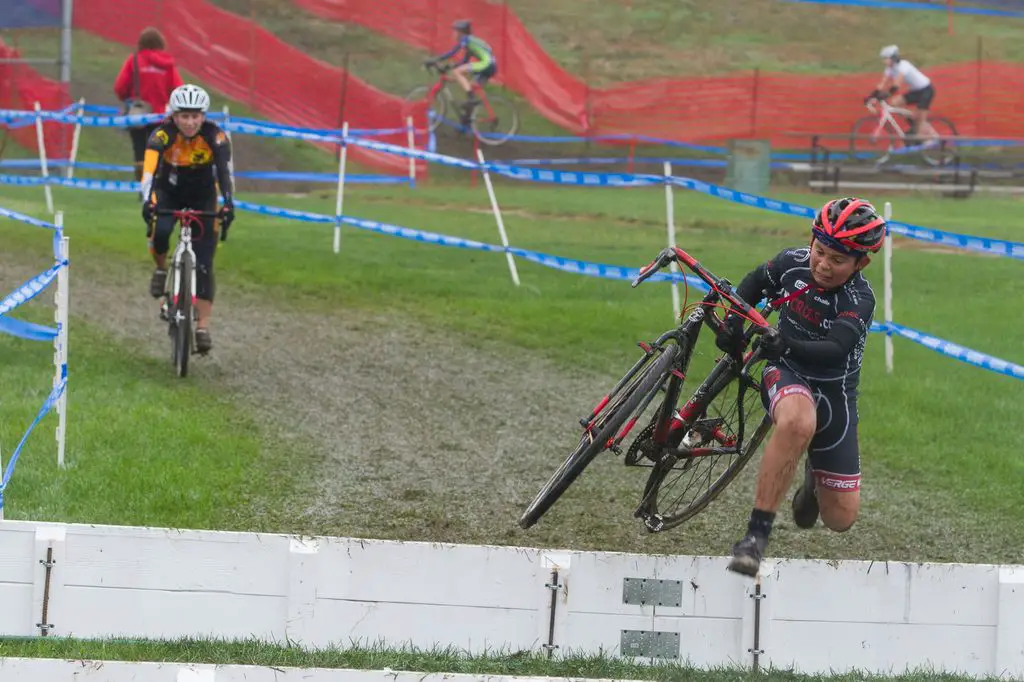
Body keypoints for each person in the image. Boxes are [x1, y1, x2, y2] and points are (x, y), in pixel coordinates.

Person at [714, 197, 887, 578]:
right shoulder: (793, 261)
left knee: (840, 519)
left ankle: (811, 476)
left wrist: (786, 342)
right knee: (796, 421)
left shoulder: (860, 299)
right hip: (786, 370)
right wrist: (733, 321)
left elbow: (834, 350)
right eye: (820, 251)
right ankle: (754, 538)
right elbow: (756, 283)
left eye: (837, 260)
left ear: (861, 263)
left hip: (835, 391)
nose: (824, 264)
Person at [140, 84, 235, 355]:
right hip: (168, 191)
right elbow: (148, 172)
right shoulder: (161, 135)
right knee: (161, 231)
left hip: (203, 195)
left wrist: (228, 203)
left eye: (196, 116)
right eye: (184, 116)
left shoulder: (215, 136)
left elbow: (225, 174)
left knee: (204, 263)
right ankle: (161, 269)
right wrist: (148, 201)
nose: (190, 122)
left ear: (203, 116)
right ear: (174, 115)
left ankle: (202, 327)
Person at [114, 27, 184, 182]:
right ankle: (157, 185)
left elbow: (120, 87)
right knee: (157, 151)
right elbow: (179, 89)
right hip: (160, 115)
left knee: (139, 151)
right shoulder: (167, 65)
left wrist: (127, 98)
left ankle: (143, 188)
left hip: (137, 114)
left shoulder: (134, 61)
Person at [423, 20, 498, 125]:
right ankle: (468, 118)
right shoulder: (470, 43)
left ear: (461, 33)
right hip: (491, 65)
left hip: (487, 64)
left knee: (458, 72)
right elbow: (464, 61)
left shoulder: (466, 39)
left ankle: (471, 98)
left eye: (455, 31)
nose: (453, 34)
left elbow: (453, 52)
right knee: (470, 84)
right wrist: (449, 66)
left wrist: (435, 59)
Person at [867, 45, 937, 141]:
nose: (883, 61)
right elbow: (881, 84)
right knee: (894, 103)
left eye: (885, 58)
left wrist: (886, 94)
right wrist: (871, 96)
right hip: (916, 91)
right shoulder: (889, 68)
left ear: (893, 58)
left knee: (920, 124)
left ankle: (929, 138)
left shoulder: (904, 65)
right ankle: (914, 121)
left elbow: (896, 85)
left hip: (926, 90)